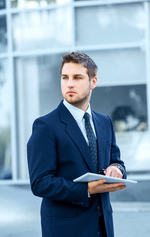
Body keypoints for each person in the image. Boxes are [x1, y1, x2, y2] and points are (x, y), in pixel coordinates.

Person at [27, 52, 126, 237]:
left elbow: (116, 160)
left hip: (103, 227)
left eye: (77, 77)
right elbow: (40, 183)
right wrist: (86, 190)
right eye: (65, 77)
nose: (69, 83)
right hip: (66, 229)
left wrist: (116, 168)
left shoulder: (105, 122)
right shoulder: (45, 126)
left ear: (93, 82)